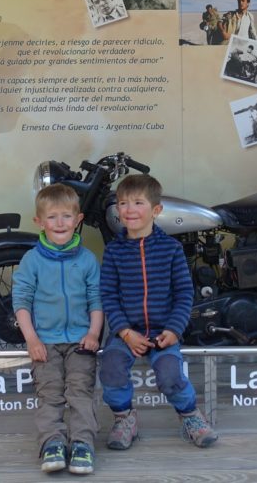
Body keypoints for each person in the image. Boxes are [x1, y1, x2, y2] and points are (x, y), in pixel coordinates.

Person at [99, 174, 217, 451]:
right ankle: (124, 418)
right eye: (123, 203)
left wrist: (174, 330)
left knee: (169, 374)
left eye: (138, 203)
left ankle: (190, 416)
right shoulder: (114, 252)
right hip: (126, 333)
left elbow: (184, 293)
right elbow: (108, 296)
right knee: (111, 367)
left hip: (163, 332)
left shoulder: (171, 249)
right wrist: (125, 332)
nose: (129, 210)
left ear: (156, 210)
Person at [12, 183, 104, 474]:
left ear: (78, 219)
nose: (60, 223)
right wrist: (32, 339)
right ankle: (52, 443)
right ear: (39, 222)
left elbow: (96, 301)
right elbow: (21, 301)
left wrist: (93, 333)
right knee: (50, 393)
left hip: (80, 342)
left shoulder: (87, 260)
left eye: (66, 216)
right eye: (52, 217)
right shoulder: (32, 260)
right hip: (45, 343)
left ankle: (82, 444)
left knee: (80, 392)